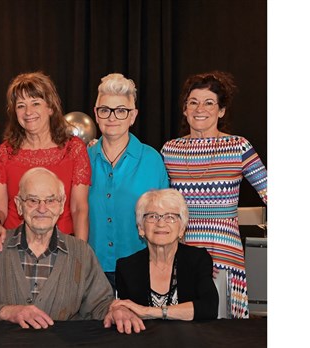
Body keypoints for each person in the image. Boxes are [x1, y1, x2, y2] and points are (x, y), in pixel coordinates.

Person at [0, 167, 145, 334]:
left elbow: (100, 305)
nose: (42, 208)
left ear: (62, 204)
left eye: (50, 200)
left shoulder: (81, 252)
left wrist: (116, 310)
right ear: (18, 204)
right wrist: (8, 312)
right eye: (32, 200)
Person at [160, 71, 267, 318]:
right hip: (182, 251)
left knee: (223, 328)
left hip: (224, 251)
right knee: (183, 325)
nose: (201, 109)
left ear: (221, 111)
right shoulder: (170, 150)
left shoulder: (238, 147)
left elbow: (268, 190)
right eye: (193, 102)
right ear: (185, 110)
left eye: (209, 103)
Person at [0, 72, 90, 255]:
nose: (28, 112)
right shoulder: (5, 153)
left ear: (50, 107)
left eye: (36, 103)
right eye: (21, 106)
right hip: (14, 250)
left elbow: (79, 208)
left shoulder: (74, 149)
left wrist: (79, 255)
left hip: (62, 249)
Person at [87, 73, 169, 292]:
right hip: (91, 271)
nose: (112, 117)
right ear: (96, 114)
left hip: (141, 270)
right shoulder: (82, 159)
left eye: (121, 111)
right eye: (105, 110)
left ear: (133, 116)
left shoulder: (152, 160)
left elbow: (166, 219)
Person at [113, 189, 218, 320]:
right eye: (152, 216)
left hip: (191, 338)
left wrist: (149, 312)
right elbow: (126, 313)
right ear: (140, 228)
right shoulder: (126, 267)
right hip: (143, 339)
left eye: (170, 217)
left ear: (181, 229)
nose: (161, 223)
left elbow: (209, 308)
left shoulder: (198, 259)